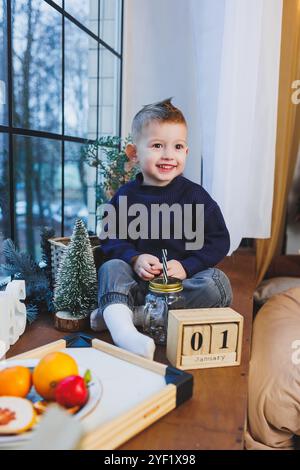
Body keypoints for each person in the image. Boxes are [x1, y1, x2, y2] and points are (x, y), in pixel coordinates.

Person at [91, 98, 233, 360]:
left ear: (186, 153)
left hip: (180, 289)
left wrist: (188, 266)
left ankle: (126, 316)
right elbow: (109, 235)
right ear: (134, 153)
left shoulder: (195, 196)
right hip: (137, 285)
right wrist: (134, 258)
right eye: (157, 145)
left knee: (218, 284)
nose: (169, 155)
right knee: (110, 268)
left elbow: (218, 240)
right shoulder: (126, 196)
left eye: (177, 146)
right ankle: (124, 332)